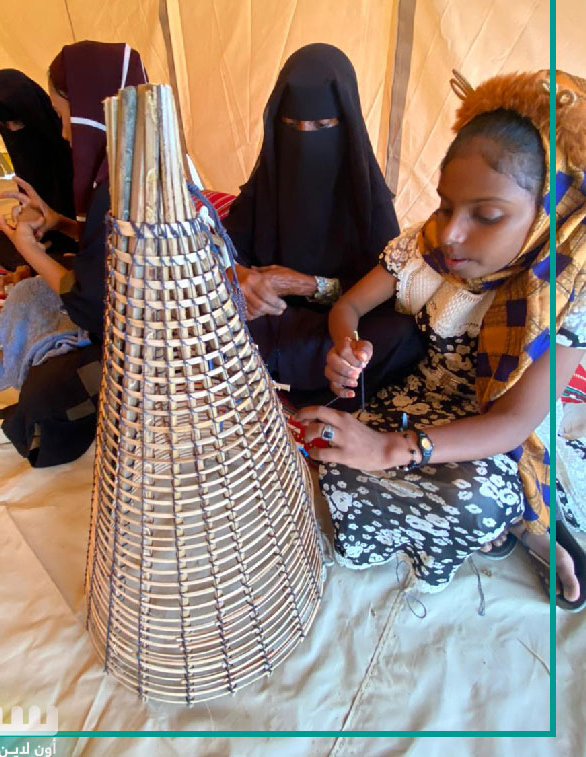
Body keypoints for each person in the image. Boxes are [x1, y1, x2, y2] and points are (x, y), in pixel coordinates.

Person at [297, 69, 586, 608]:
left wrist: (389, 450)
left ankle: (516, 524)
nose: (451, 233)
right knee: (327, 450)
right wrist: (346, 346)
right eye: (446, 205)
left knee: (475, 500)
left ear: (549, 210)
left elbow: (511, 423)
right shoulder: (423, 247)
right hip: (413, 402)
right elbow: (348, 306)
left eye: (487, 215)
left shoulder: (568, 293)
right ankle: (476, 530)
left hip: (492, 432)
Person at [0, 41, 147, 466]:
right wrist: (59, 221)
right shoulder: (122, 170)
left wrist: (32, 251)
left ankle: (50, 409)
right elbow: (109, 245)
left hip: (146, 347)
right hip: (117, 311)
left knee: (50, 396)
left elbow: (94, 305)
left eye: (67, 117)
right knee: (29, 295)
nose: (65, 132)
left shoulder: (122, 184)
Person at [224, 43, 424, 403]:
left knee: (402, 333)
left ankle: (282, 378)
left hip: (334, 327)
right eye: (291, 125)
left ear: (346, 126)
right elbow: (221, 249)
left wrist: (308, 285)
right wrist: (241, 278)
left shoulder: (367, 198)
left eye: (321, 126)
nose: (304, 138)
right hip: (266, 320)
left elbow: (384, 287)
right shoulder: (266, 184)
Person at [0, 68, 77, 267]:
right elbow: (30, 196)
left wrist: (50, 222)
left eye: (18, 121)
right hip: (45, 232)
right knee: (2, 240)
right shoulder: (21, 147)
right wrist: (27, 219)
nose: (13, 130)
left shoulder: (66, 140)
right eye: (5, 124)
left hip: (77, 234)